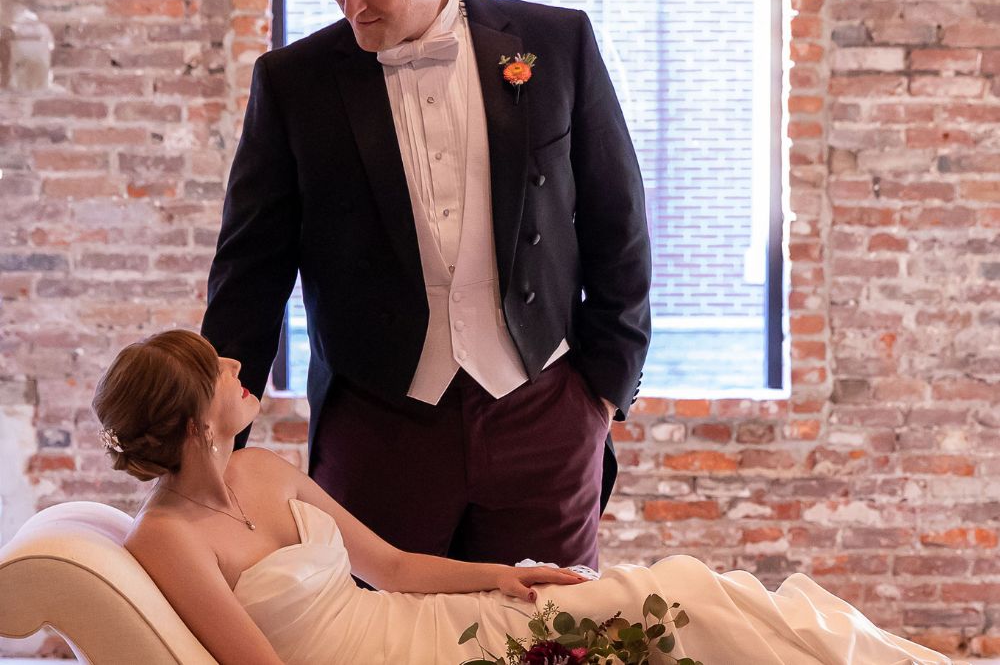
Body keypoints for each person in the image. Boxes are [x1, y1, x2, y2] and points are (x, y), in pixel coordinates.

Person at [200, 0, 652, 570]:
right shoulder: (293, 84)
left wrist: (600, 394)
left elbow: (617, 221)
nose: (351, 5)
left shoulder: (556, 45)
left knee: (549, 624)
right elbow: (250, 275)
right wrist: (214, 449)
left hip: (543, 414)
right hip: (377, 427)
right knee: (374, 625)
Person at [93, 330, 948, 665]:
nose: (236, 365)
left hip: (422, 623)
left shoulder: (262, 471)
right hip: (398, 664)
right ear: (196, 421)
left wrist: (499, 575)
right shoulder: (166, 539)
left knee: (670, 592)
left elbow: (392, 567)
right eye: (217, 370)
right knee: (656, 608)